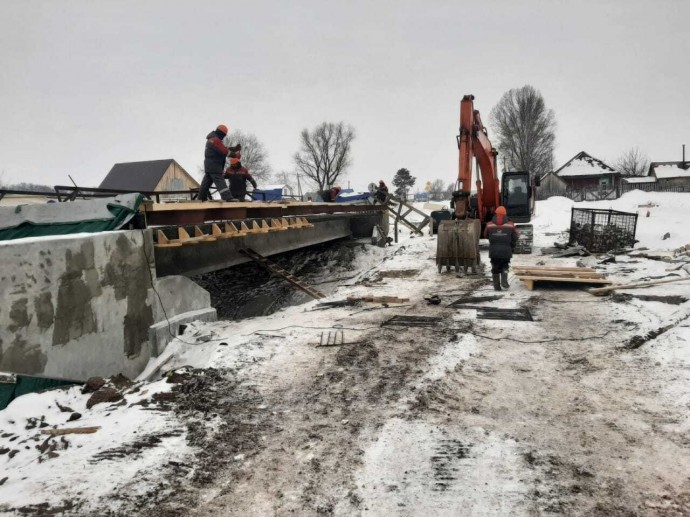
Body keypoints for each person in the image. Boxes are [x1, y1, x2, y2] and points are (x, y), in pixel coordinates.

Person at [198, 124, 241, 201]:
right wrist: (235, 155)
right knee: (220, 181)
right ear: (222, 133)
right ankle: (227, 197)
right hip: (215, 165)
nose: (223, 137)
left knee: (206, 183)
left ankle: (201, 198)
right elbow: (223, 151)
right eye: (224, 135)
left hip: (210, 165)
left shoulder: (212, 139)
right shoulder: (215, 140)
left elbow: (220, 148)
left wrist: (233, 149)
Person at [483, 206, 519, 291]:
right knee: (505, 266)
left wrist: (494, 239)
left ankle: (496, 286)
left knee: (495, 267)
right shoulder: (510, 224)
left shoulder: (489, 224)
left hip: (494, 251)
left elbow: (485, 235)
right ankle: (504, 282)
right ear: (505, 214)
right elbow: (515, 236)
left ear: (495, 213)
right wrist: (510, 244)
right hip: (506, 251)